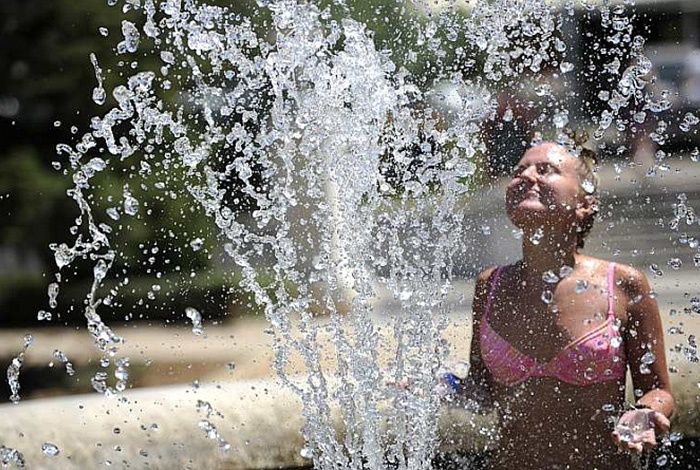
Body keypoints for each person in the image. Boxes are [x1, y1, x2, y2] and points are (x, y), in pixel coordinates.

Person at [450, 131, 674, 469]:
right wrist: (438, 386)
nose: (525, 177)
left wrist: (647, 412)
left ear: (585, 202)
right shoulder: (490, 285)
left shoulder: (623, 285)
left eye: (544, 170)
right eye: (519, 171)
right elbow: (482, 392)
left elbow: (659, 391)